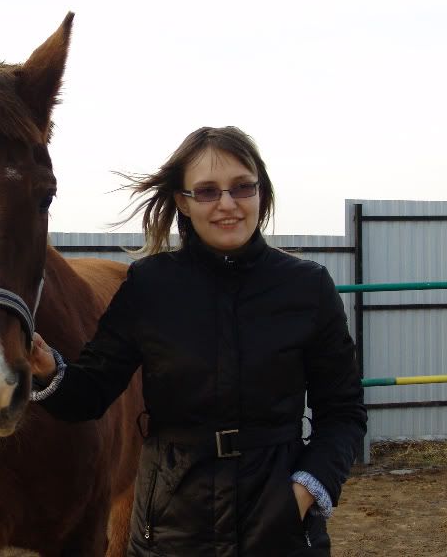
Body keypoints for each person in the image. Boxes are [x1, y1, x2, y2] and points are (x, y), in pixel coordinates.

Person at [29, 126, 367, 556]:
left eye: (242, 187)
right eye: (207, 191)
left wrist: (305, 490)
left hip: (279, 522)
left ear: (261, 192)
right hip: (172, 522)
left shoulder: (308, 288)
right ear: (183, 203)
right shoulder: (149, 287)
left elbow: (344, 411)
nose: (227, 204)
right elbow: (92, 393)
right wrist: (48, 371)